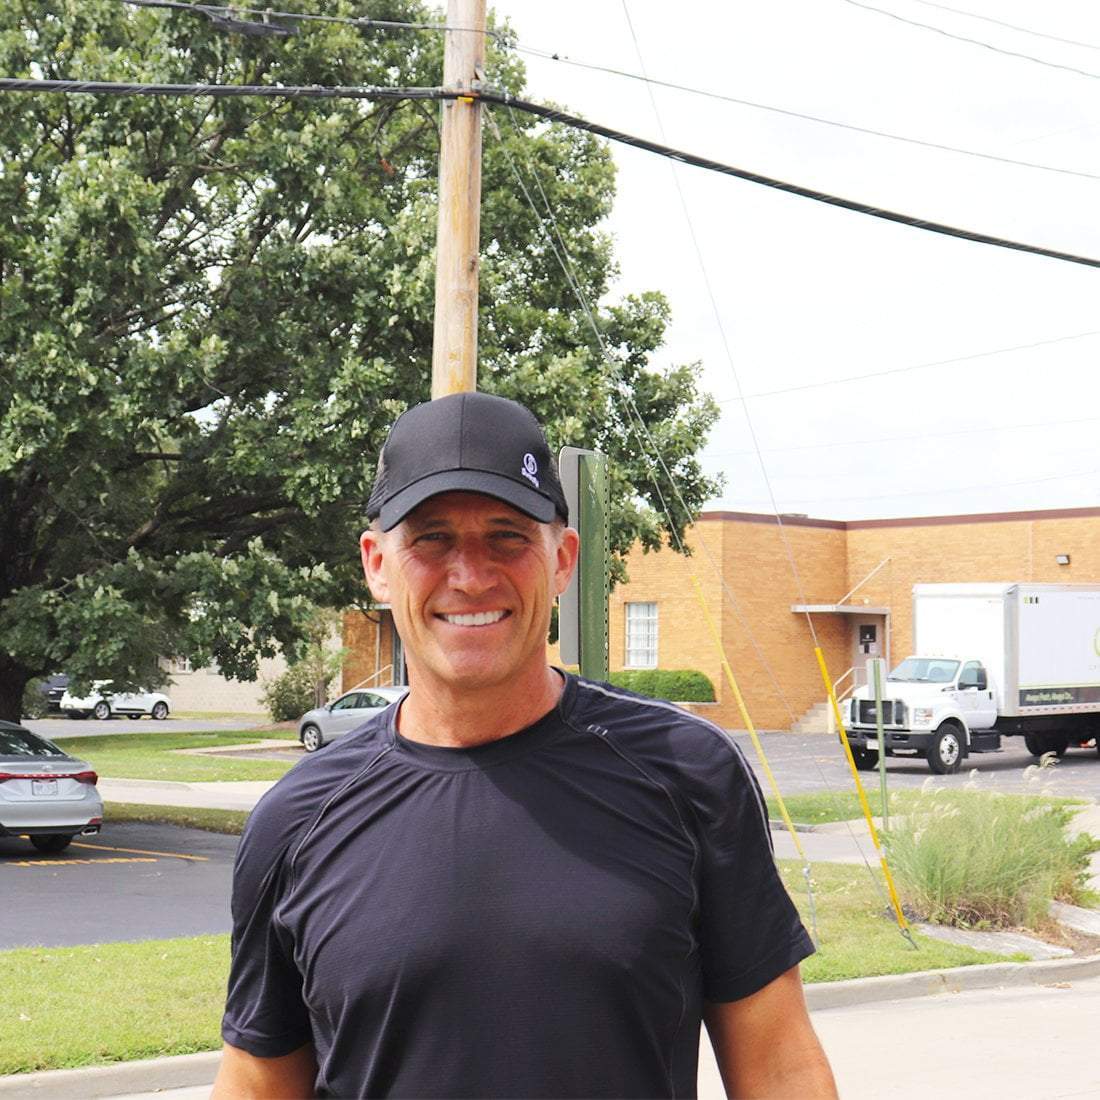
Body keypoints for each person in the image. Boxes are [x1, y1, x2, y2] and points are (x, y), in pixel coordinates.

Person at [212, 391, 837, 1099]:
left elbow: (778, 1063)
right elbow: (259, 1083)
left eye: (507, 535)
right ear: (377, 563)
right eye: (431, 538)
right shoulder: (295, 820)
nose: (471, 575)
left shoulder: (685, 772)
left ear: (562, 559)